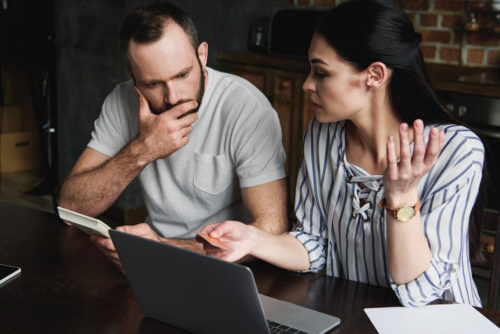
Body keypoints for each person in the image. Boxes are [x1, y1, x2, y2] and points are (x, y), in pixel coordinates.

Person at [199, 0, 484, 307]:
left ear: (374, 75)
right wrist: (253, 240)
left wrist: (401, 196)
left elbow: (420, 293)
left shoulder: (456, 152)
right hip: (355, 316)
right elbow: (314, 244)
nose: (307, 84)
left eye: (321, 73)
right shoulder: (322, 135)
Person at [58, 2, 288, 269]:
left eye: (182, 74)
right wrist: (142, 150)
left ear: (202, 56)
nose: (173, 97)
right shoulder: (122, 101)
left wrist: (162, 248)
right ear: (132, 74)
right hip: (152, 260)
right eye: (153, 84)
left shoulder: (245, 108)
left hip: (228, 267)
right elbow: (71, 208)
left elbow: (272, 230)